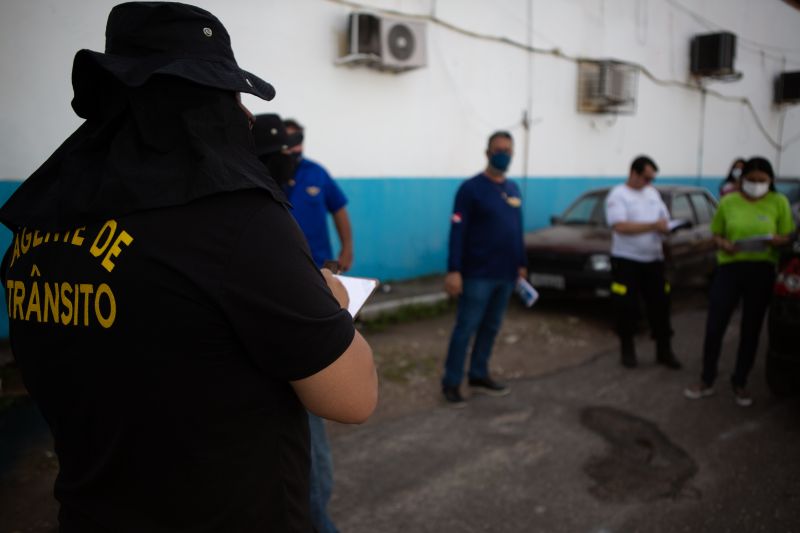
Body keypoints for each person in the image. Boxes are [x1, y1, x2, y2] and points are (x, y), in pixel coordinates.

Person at [0, 3, 377, 532]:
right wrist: (331, 300)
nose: (246, 117)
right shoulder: (237, 222)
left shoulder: (37, 228)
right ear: (201, 105)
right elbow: (353, 398)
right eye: (231, 97)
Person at [253, 114, 340, 533]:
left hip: (309, 297)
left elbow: (340, 210)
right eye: (280, 153)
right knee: (311, 468)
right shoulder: (255, 211)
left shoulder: (307, 179)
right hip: (291, 336)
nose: (288, 158)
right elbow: (357, 402)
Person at [684, 157, 795, 406]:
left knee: (751, 329)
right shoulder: (729, 201)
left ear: (771, 181)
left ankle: (740, 382)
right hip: (730, 269)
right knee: (715, 326)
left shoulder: (779, 202)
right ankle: (707, 379)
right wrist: (725, 244)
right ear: (741, 180)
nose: (756, 185)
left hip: (762, 270)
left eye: (761, 181)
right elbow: (716, 233)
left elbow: (787, 236)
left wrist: (779, 240)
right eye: (751, 180)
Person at [441, 131, 527, 407]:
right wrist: (454, 270)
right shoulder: (470, 189)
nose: (503, 153)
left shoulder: (513, 188)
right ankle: (451, 382)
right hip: (477, 274)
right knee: (465, 329)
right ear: (487, 152)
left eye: (508, 150)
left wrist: (521, 263)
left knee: (491, 327)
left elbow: (517, 229)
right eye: (498, 149)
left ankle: (478, 374)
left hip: (506, 273)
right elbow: (457, 230)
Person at [605, 156, 682, 370]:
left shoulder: (652, 194)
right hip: (626, 261)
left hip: (653, 260)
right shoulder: (618, 195)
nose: (649, 183)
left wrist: (667, 228)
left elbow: (663, 221)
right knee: (626, 306)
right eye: (646, 178)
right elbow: (619, 226)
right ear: (633, 173)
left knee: (660, 305)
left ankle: (664, 351)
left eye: (652, 179)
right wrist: (653, 226)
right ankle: (627, 351)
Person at [282, 118, 354, 272]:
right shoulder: (268, 174)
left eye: (298, 140)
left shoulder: (317, 172)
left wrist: (347, 248)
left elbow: (339, 209)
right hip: (282, 262)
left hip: (319, 263)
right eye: (289, 141)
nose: (294, 147)